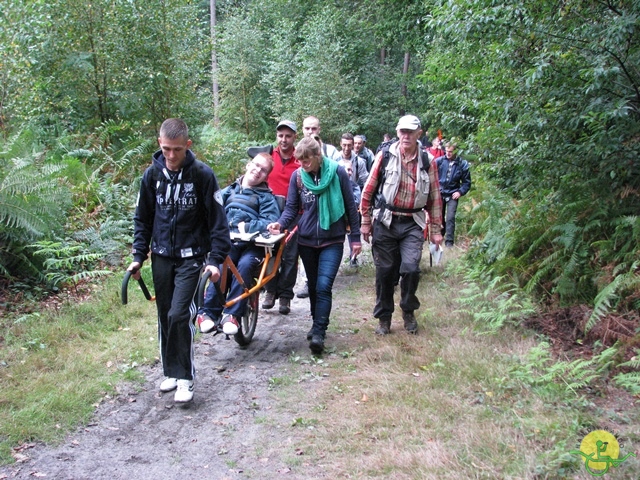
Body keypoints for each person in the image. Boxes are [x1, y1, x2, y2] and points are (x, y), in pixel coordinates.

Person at [127, 118, 231, 404]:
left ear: (188, 145)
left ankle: (186, 377)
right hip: (161, 257)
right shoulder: (151, 177)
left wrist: (215, 260)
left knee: (179, 315)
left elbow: (218, 223)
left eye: (176, 149)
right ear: (159, 145)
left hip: (192, 258)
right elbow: (142, 219)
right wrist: (138, 256)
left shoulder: (202, 175)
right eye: (166, 149)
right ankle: (170, 371)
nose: (171, 156)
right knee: (164, 316)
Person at [267, 137, 361, 354]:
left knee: (323, 285)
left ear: (318, 156)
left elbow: (350, 206)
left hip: (333, 239)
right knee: (312, 287)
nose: (302, 165)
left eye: (306, 160)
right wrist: (280, 224)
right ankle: (316, 321)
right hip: (307, 240)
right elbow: (291, 208)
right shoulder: (297, 177)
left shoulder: (337, 173)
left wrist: (355, 238)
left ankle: (319, 331)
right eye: (300, 161)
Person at [360, 115, 443, 335]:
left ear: (419, 133)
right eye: (402, 131)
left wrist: (435, 231)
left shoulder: (428, 161)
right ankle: (384, 318)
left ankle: (408, 310)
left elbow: (435, 197)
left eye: (410, 132)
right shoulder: (385, 155)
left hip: (413, 223)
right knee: (385, 272)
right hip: (386, 221)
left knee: (411, 269)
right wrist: (366, 222)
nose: (405, 135)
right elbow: (368, 190)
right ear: (397, 133)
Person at [196, 153, 281, 335]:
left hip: (253, 246)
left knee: (244, 265)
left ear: (266, 176)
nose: (257, 171)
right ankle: (208, 312)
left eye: (263, 170)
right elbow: (212, 211)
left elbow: (270, 220)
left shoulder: (266, 197)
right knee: (221, 264)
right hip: (229, 243)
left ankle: (233, 315)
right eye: (256, 165)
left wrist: (248, 226)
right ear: (248, 165)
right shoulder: (228, 191)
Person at [261, 120, 300, 315]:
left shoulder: (300, 159)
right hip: (270, 213)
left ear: (295, 137)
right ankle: (270, 290)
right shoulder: (268, 156)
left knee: (290, 257)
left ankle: (285, 295)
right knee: (270, 254)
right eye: (281, 135)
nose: (284, 140)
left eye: (288, 136)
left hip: (294, 215)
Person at [436, 142, 472, 247]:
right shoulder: (439, 161)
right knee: (439, 217)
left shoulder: (462, 164)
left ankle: (449, 242)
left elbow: (467, 182)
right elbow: (430, 174)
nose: (448, 153)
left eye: (451, 151)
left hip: (453, 193)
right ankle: (439, 237)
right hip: (440, 192)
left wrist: (460, 192)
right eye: (446, 151)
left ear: (455, 151)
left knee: (450, 217)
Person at [342, 159, 362, 267]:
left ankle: (353, 258)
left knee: (352, 237)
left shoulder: (354, 186)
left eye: (351, 170)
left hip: (350, 217)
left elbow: (356, 201)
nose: (350, 172)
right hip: (339, 218)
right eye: (348, 169)